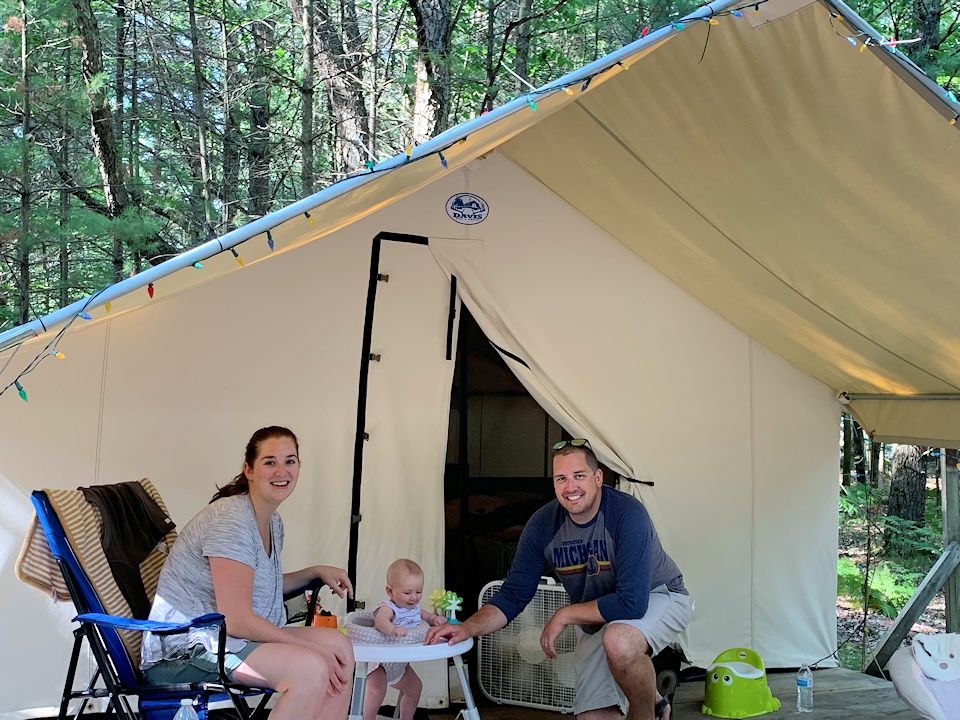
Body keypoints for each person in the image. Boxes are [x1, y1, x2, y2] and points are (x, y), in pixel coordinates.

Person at [426, 438, 692, 720]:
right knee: (593, 715)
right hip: (599, 616)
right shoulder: (543, 524)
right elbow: (513, 594)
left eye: (579, 476)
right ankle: (654, 698)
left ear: (598, 477)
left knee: (621, 642)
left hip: (659, 595)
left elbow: (632, 604)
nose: (571, 487)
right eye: (561, 478)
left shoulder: (628, 514)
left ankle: (646, 713)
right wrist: (467, 627)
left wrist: (565, 614)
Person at [140, 426, 355, 720]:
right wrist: (305, 646)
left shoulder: (272, 522)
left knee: (339, 648)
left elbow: (257, 587)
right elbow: (237, 618)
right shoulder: (231, 520)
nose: (282, 471)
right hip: (187, 651)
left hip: (229, 639)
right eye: (270, 462)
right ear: (249, 470)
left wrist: (314, 571)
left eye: (290, 461)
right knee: (310, 668)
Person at [364, 559, 447, 720]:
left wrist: (434, 618)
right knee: (376, 691)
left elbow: (422, 614)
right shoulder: (389, 608)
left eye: (418, 592)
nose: (414, 598)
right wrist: (392, 629)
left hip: (399, 663)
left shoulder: (414, 608)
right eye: (407, 593)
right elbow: (380, 621)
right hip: (380, 663)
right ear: (390, 591)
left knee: (415, 688)